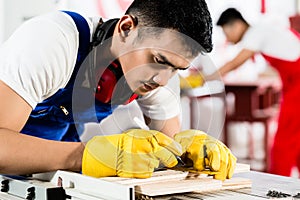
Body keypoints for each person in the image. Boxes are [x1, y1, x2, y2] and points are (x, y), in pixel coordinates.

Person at [0, 0, 236, 180]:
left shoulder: (157, 74)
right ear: (126, 28)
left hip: (53, 181)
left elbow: (167, 153)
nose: (163, 80)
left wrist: (189, 152)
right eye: (158, 59)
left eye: (176, 69)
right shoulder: (52, 42)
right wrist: (84, 156)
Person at [211, 8, 300, 177]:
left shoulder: (255, 33)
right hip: (293, 85)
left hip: (298, 87)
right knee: (296, 142)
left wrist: (206, 77)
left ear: (236, 25)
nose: (227, 39)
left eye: (226, 32)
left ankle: (278, 186)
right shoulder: (263, 30)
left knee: (283, 143)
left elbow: (235, 63)